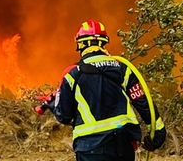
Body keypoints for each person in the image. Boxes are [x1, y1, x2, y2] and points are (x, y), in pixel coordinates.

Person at [39, 19, 166, 161]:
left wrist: (52, 105)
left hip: (90, 148)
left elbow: (64, 116)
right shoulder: (122, 69)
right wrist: (159, 131)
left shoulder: (73, 75)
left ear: (80, 44)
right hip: (122, 146)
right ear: (104, 42)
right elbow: (142, 101)